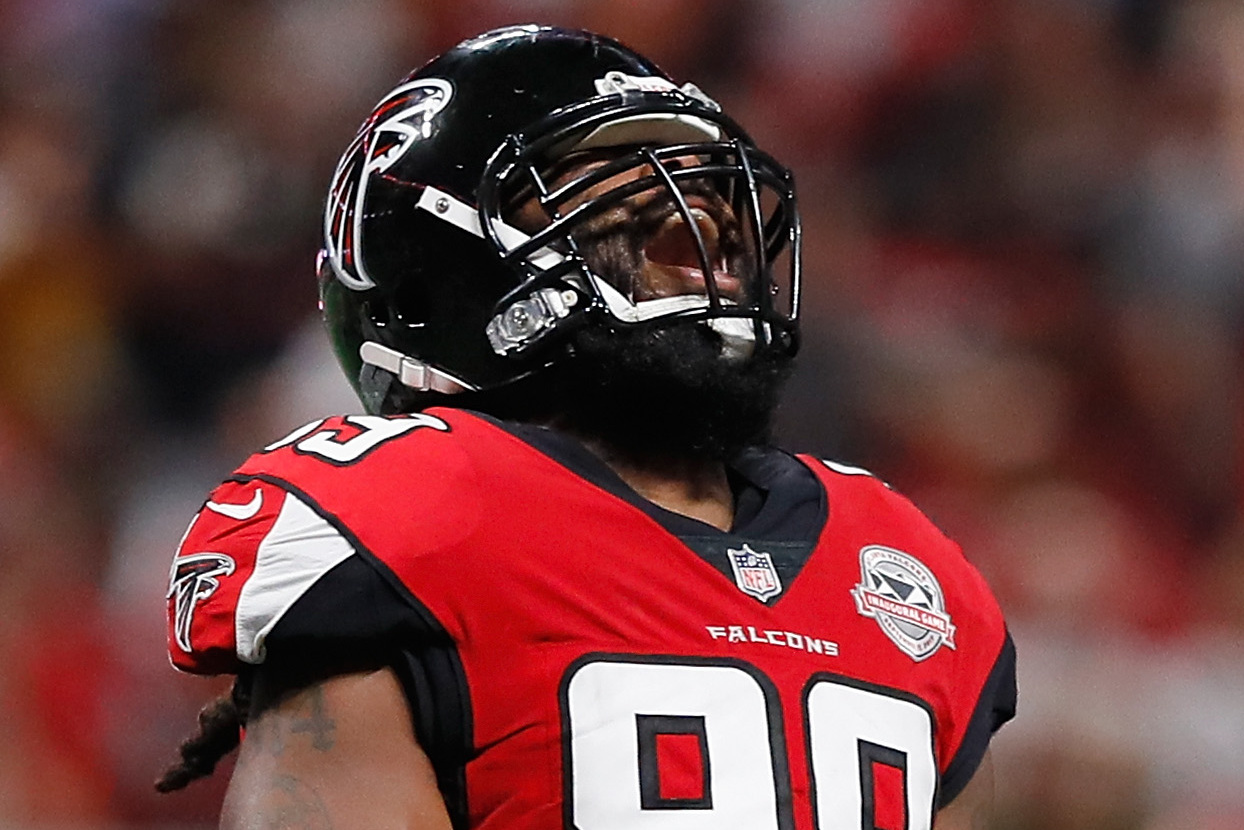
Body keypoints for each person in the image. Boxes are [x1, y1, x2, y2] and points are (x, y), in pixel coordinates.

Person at [159, 24, 1015, 830]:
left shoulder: (896, 556)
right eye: (608, 175)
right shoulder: (411, 519)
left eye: (703, 180)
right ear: (435, 274)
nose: (703, 214)